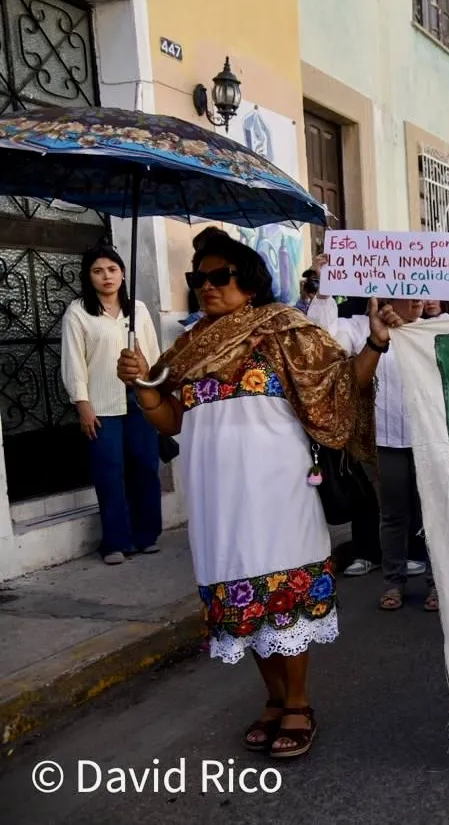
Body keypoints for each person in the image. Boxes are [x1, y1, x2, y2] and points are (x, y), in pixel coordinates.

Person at [116, 228, 395, 759]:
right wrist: (143, 387)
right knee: (239, 598)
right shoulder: (190, 344)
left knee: (282, 599)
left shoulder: (286, 330)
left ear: (249, 279)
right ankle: (272, 698)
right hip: (214, 498)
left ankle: (298, 701)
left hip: (278, 490)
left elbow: (343, 389)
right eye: (198, 278)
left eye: (218, 276)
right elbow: (171, 420)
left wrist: (377, 342)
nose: (206, 286)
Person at [309, 255, 449, 611]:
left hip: (432, 438)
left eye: (424, 290)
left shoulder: (442, 325)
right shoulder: (360, 327)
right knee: (392, 515)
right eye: (409, 290)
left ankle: (438, 584)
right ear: (387, 293)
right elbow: (322, 340)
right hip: (387, 441)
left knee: (436, 513)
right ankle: (394, 582)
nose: (419, 298)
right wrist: (325, 289)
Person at [61, 242, 163, 565]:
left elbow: (155, 355)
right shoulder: (78, 312)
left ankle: (146, 535)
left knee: (145, 466)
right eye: (98, 271)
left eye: (112, 269)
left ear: (122, 274)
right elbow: (74, 361)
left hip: (140, 399)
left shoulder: (139, 310)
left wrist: (156, 391)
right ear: (88, 276)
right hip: (102, 404)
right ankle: (116, 541)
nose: (106, 276)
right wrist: (82, 404)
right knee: (109, 471)